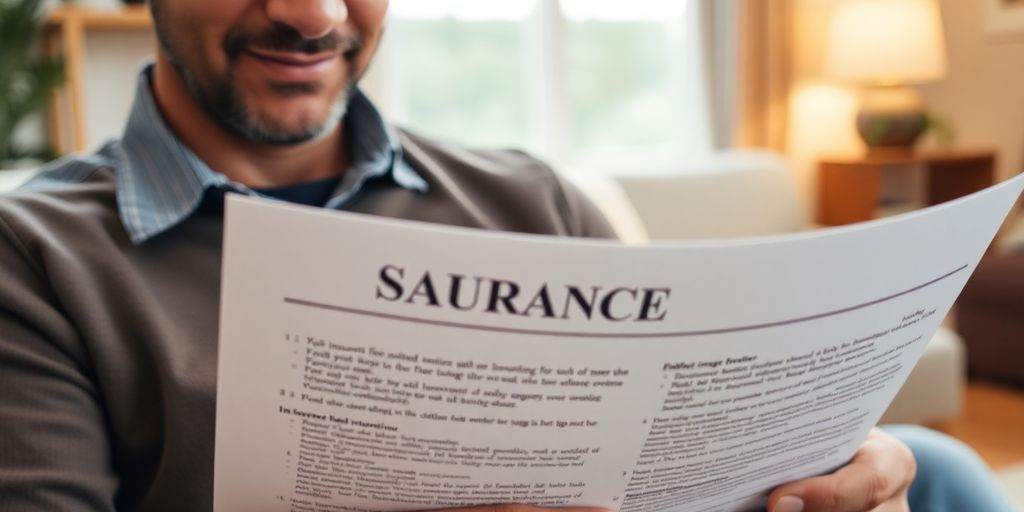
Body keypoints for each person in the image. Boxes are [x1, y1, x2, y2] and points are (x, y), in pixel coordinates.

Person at [0, 1, 1014, 511]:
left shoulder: (528, 196)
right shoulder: (36, 256)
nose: (314, 17)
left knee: (932, 467)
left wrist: (835, 473)